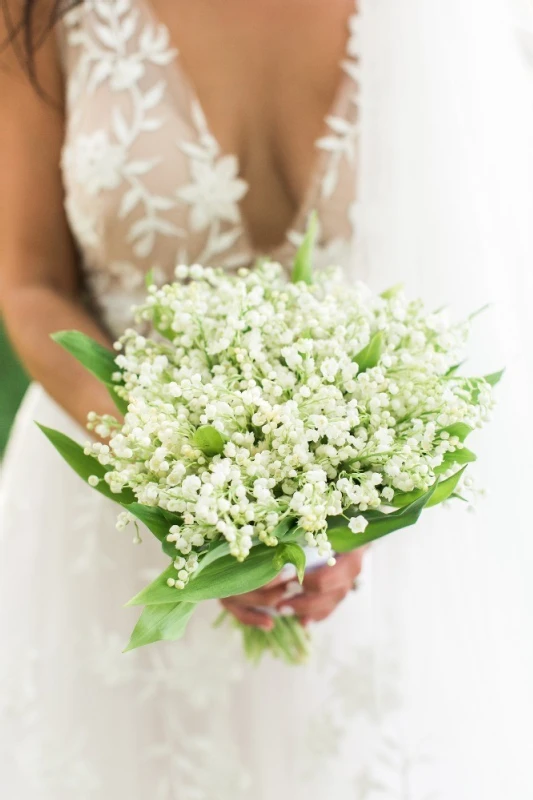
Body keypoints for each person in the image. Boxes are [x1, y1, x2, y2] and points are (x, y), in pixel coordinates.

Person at [1, 1, 533, 798]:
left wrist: (365, 504)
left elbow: (477, 276)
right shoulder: (41, 12)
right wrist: (176, 479)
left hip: (375, 543)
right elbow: (29, 283)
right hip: (109, 515)